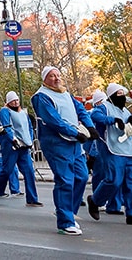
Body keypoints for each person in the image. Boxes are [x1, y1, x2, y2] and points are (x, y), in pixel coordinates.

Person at [30, 66, 95, 235]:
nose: (56, 78)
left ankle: (68, 212)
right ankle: (65, 222)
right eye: (52, 76)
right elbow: (53, 120)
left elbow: (80, 109)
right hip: (57, 143)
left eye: (58, 75)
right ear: (45, 79)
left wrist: (89, 126)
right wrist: (75, 133)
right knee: (65, 180)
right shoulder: (41, 97)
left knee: (81, 177)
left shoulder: (66, 93)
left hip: (74, 142)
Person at [86, 83, 132, 226]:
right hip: (112, 149)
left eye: (123, 93)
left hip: (129, 150)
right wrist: (113, 120)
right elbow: (95, 115)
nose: (122, 96)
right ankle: (95, 200)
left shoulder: (125, 111)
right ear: (112, 95)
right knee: (114, 180)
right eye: (118, 93)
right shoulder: (105, 107)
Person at [0, 90, 42, 207]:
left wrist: (29, 140)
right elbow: (7, 126)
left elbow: (29, 126)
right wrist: (13, 139)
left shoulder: (23, 113)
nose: (15, 102)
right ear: (8, 102)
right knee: (7, 170)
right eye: (12, 100)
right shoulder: (5, 111)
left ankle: (32, 199)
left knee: (29, 172)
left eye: (16, 100)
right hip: (11, 146)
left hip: (24, 146)